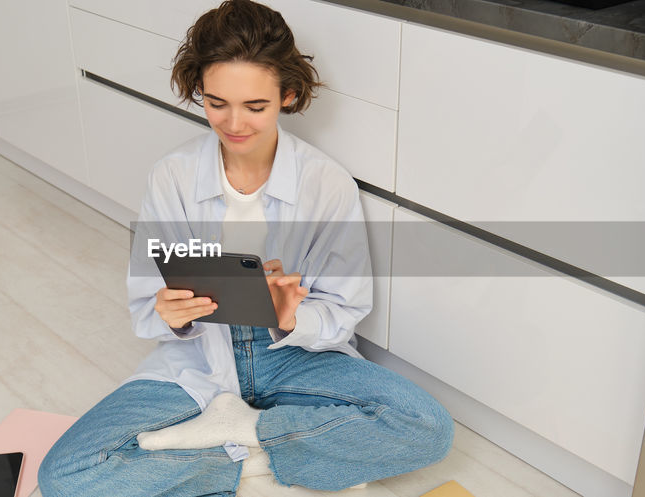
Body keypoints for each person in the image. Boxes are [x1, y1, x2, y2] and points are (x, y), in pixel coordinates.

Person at [38, 1, 453, 495]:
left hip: (292, 356)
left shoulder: (326, 184)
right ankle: (271, 462)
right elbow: (147, 304)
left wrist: (290, 316)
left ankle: (243, 438)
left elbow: (346, 307)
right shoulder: (171, 176)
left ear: (288, 95)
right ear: (200, 93)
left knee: (426, 427)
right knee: (65, 475)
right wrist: (172, 312)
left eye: (255, 106)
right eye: (216, 103)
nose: (234, 123)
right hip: (199, 359)